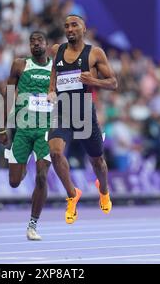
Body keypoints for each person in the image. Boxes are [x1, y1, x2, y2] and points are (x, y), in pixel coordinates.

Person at [47, 15, 118, 224]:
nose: (69, 29)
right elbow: (54, 72)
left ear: (83, 28)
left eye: (74, 25)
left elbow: (113, 82)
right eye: (66, 26)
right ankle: (72, 194)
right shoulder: (57, 50)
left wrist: (92, 80)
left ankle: (103, 190)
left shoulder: (95, 53)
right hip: (62, 112)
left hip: (85, 114)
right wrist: (51, 90)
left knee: (98, 161)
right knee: (55, 153)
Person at [0, 31, 52, 240]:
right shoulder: (20, 65)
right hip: (22, 129)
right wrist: (2, 128)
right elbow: (8, 95)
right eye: (32, 41)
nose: (35, 44)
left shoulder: (54, 68)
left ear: (46, 44)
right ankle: (22, 168)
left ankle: (32, 224)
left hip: (46, 131)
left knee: (42, 175)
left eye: (39, 40)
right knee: (14, 182)